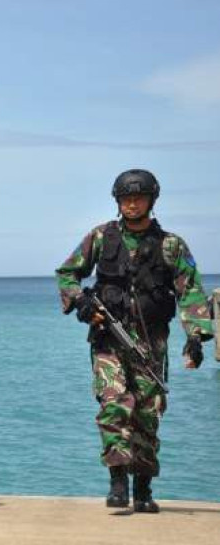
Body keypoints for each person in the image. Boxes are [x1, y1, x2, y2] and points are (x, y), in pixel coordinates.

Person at [56, 170, 213, 513]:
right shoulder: (100, 237)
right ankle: (116, 479)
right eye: (126, 198)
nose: (131, 203)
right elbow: (66, 273)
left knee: (147, 414)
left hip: (151, 342)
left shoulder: (171, 245)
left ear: (151, 201)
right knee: (113, 403)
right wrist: (80, 302)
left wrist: (196, 337)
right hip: (107, 339)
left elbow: (191, 291)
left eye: (138, 198)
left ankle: (142, 487)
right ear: (117, 201)